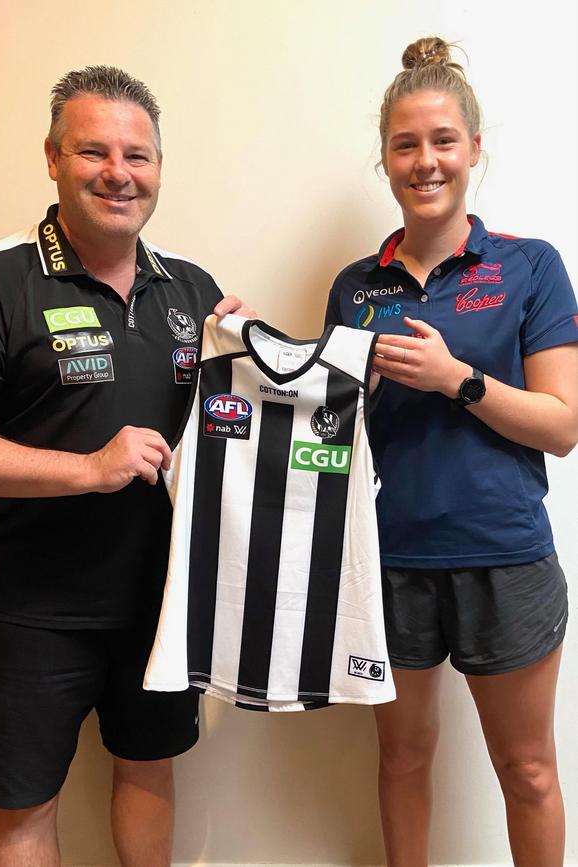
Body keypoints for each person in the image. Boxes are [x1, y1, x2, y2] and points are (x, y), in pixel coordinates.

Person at [0, 66, 252, 867]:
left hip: (159, 600)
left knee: (148, 772)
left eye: (137, 156)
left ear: (159, 168)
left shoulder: (192, 288)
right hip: (32, 607)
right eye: (94, 151)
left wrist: (255, 364)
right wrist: (88, 468)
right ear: (52, 158)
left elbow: (227, 433)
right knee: (25, 800)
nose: (118, 172)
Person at [325, 37, 578, 867]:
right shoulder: (355, 286)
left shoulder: (530, 266)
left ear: (474, 149)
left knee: (530, 769)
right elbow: (332, 425)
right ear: (386, 159)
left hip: (504, 558)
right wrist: (252, 352)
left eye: (442, 141)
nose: (424, 161)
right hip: (386, 560)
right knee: (400, 758)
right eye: (405, 144)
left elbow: (563, 424)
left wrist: (456, 378)